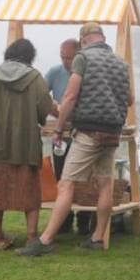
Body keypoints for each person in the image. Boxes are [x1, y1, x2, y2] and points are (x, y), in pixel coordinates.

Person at [20, 24, 131, 256]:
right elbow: (130, 99)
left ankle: (46, 239)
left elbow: (70, 95)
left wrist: (60, 128)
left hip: (88, 131)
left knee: (66, 183)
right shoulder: (120, 63)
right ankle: (98, 238)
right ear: (102, 38)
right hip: (112, 132)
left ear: (83, 41)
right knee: (105, 184)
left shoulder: (83, 58)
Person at [0, 38, 57, 250]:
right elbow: (44, 109)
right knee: (30, 190)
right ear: (29, 56)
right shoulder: (35, 78)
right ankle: (32, 237)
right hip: (26, 143)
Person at [46, 38, 92, 235]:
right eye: (63, 57)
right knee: (61, 176)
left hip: (83, 131)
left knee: (84, 179)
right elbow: (40, 92)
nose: (66, 61)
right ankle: (63, 223)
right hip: (62, 134)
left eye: (70, 58)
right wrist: (55, 108)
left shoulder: (88, 72)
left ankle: (84, 221)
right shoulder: (55, 72)